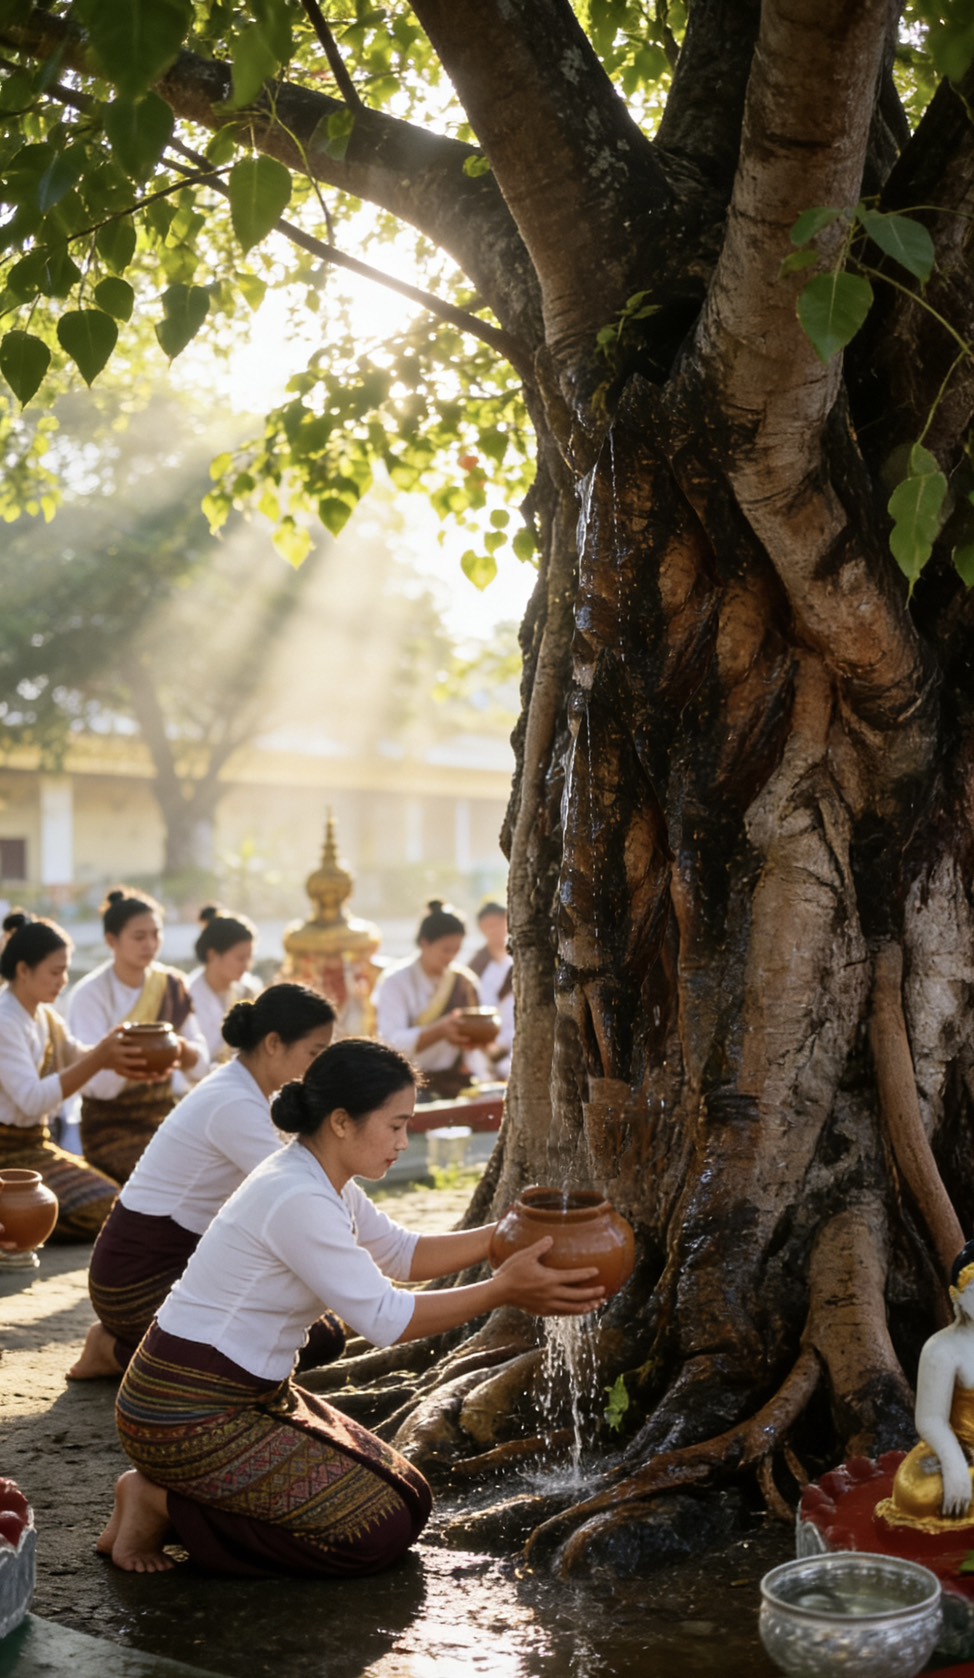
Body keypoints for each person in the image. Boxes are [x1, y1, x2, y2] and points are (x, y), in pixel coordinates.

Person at [97, 1038, 604, 1577]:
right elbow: (384, 1320)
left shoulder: (321, 1177)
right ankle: (160, 1506)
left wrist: (509, 1232)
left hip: (249, 1396)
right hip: (184, 1412)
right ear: (341, 1122)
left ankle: (172, 1500)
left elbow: (402, 1255)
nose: (404, 1142)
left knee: (409, 1498)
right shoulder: (298, 1195)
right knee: (373, 1533)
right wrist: (503, 1289)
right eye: (395, 1125)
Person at [68, 984, 338, 1380]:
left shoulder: (245, 1090)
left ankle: (130, 1345)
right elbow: (301, 1191)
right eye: (314, 1053)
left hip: (175, 1267)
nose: (317, 1067)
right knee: (317, 1340)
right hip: (136, 1280)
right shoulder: (233, 1102)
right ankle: (116, 1351)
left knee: (322, 1328)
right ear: (274, 1043)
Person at [0, 914, 151, 1239]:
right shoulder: (5, 1020)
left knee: (114, 1205)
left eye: (66, 970)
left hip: (35, 1145)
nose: (64, 980)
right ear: (24, 970)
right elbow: (31, 1100)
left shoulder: (44, 1015)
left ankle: (25, 1223)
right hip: (6, 1154)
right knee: (103, 1210)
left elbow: (75, 1054)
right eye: (56, 972)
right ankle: (21, 1223)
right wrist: (101, 1058)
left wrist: (119, 1055)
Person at [67, 887, 209, 1183]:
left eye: (156, 934)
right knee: (166, 1180)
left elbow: (201, 1066)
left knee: (212, 1176)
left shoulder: (172, 984)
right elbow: (96, 1085)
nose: (150, 944)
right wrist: (138, 1060)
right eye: (139, 936)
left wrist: (179, 1051)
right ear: (111, 940)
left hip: (165, 1118)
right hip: (110, 1125)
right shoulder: (90, 995)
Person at [883, 1240, 974, 1528]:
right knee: (917, 1494)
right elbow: (931, 1420)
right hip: (960, 1447)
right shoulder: (941, 1348)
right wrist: (954, 1464)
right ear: (956, 1296)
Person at [374, 900, 481, 1100]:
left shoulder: (464, 981)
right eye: (445, 949)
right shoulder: (396, 981)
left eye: (456, 950)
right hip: (409, 1084)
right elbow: (391, 1042)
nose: (451, 957)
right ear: (425, 943)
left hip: (458, 1081)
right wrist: (439, 1030)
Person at [185, 905, 261, 1063]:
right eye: (240, 958)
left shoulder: (249, 990)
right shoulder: (187, 994)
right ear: (213, 955)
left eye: (250, 958)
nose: (247, 965)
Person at [467, 898, 514, 1079]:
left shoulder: (521, 960)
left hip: (517, 1040)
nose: (494, 931)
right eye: (489, 926)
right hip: (485, 1047)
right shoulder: (476, 967)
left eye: (498, 924)